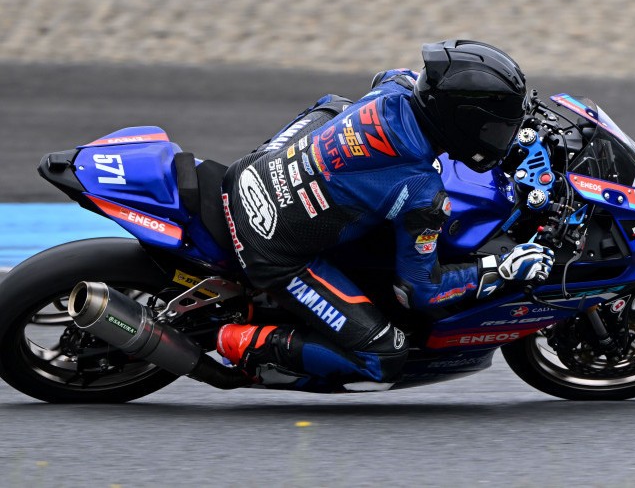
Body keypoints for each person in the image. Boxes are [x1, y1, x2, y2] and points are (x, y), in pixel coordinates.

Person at [216, 39, 554, 389]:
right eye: (493, 129)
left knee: (336, 105)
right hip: (270, 246)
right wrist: (500, 268)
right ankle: (238, 341)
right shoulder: (421, 192)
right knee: (383, 358)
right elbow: (420, 291)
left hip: (249, 172)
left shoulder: (399, 86)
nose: (500, 138)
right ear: (460, 123)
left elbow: (390, 76)